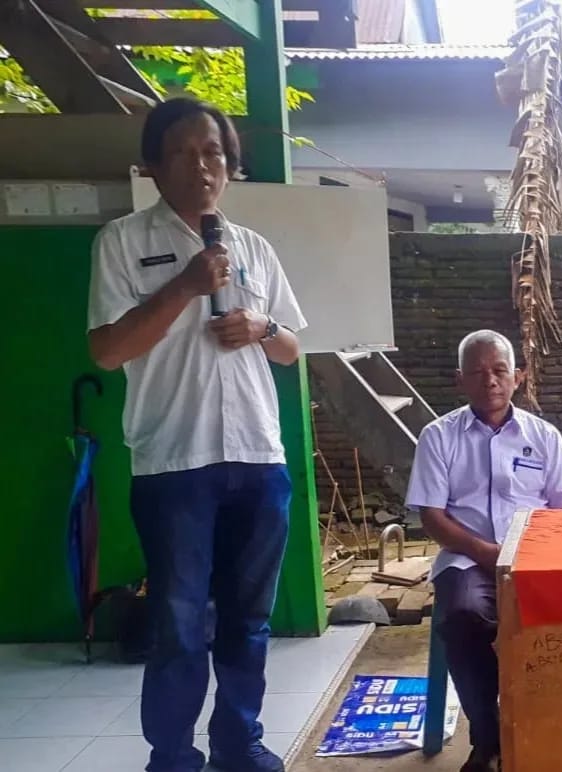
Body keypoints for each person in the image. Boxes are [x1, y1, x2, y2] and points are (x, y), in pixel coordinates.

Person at [87, 98, 306, 772]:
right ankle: (174, 757)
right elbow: (107, 350)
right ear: (152, 165)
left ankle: (239, 743)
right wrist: (184, 285)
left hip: (258, 459)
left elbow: (294, 347)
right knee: (180, 628)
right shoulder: (121, 242)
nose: (201, 165)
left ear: (229, 165)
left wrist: (261, 329)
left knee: (249, 621)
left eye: (212, 152)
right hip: (174, 462)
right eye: (182, 152)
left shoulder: (254, 249)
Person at [406, 330, 562, 772]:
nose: (490, 381)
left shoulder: (544, 436)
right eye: (478, 373)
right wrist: (488, 553)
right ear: (459, 379)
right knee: (463, 618)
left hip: (536, 561)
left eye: (500, 370)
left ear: (517, 377)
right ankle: (489, 741)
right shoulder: (438, 436)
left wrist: (535, 560)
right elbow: (432, 515)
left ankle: (553, 733)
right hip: (467, 559)